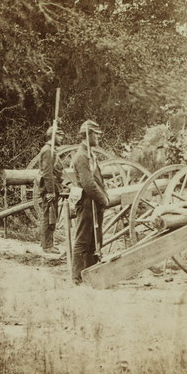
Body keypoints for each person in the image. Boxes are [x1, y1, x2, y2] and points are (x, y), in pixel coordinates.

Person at [69, 119, 119, 284]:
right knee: (83, 241)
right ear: (88, 135)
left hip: (94, 203)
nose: (98, 138)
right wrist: (103, 199)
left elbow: (97, 180)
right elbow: (88, 184)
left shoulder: (90, 155)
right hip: (86, 203)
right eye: (96, 135)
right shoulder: (81, 157)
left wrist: (102, 197)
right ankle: (77, 279)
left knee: (94, 241)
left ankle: (91, 275)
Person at [37, 125, 66, 254]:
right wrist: (50, 191)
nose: (62, 138)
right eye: (59, 135)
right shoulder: (48, 151)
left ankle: (47, 243)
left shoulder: (50, 150)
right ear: (53, 136)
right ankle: (47, 246)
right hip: (50, 188)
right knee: (48, 216)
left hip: (53, 186)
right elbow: (47, 173)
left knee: (50, 216)